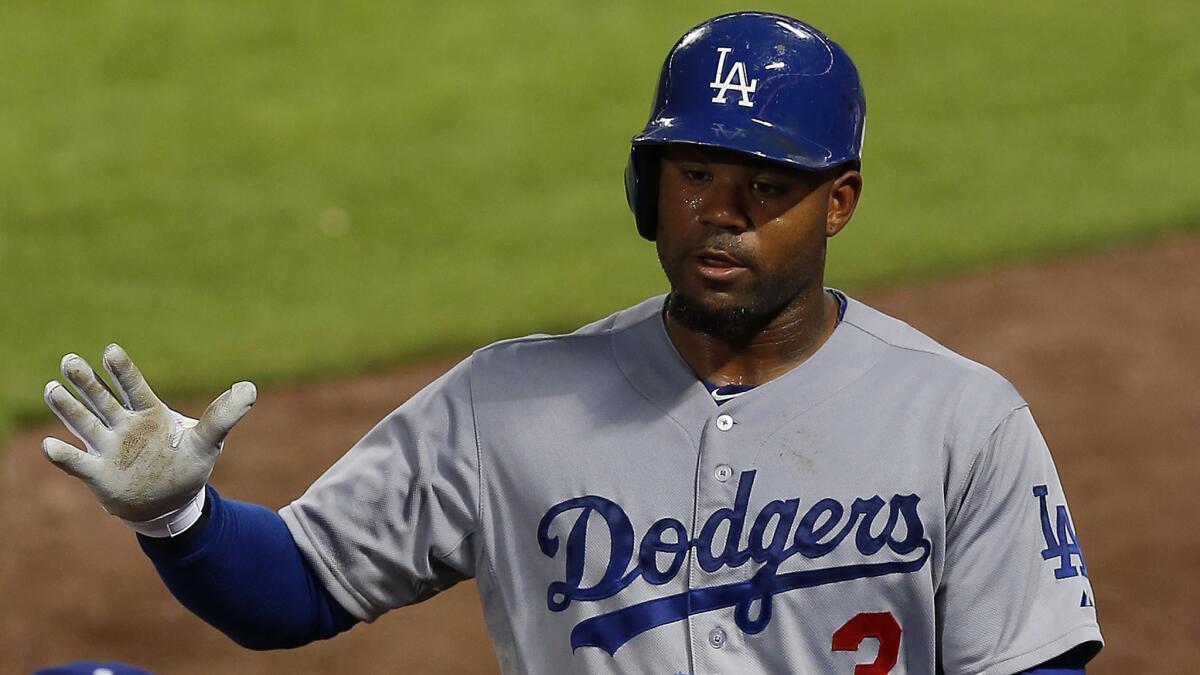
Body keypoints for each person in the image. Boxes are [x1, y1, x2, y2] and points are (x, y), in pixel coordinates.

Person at [40, 12, 1102, 674]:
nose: (719, 213)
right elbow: (300, 589)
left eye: (766, 187)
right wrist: (179, 516)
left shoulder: (962, 419)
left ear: (840, 203)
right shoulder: (509, 404)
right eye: (694, 177)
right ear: (650, 190)